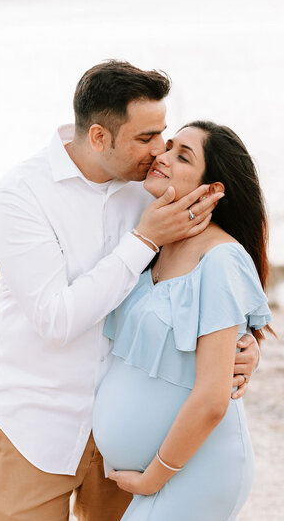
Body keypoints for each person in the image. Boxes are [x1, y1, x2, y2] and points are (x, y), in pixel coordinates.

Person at [0, 61, 262, 521]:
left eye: (164, 137)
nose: (159, 152)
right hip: (34, 426)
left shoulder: (149, 190)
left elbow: (196, 288)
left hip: (130, 447)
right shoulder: (22, 195)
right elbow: (56, 319)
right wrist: (143, 240)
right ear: (98, 137)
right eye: (146, 139)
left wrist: (242, 347)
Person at [92, 120, 273, 520]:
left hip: (194, 471)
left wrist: (153, 477)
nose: (162, 156)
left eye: (182, 155)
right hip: (157, 474)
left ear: (212, 190)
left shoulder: (221, 260)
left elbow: (212, 399)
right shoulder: (154, 241)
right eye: (167, 146)